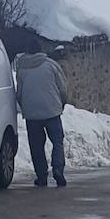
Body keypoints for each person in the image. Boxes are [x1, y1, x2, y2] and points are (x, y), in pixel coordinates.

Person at [16, 36, 68, 188]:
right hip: (52, 111)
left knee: (36, 146)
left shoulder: (22, 68)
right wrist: (61, 104)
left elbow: (19, 93)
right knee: (57, 142)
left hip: (32, 114)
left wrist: (25, 106)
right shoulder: (51, 65)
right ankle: (58, 169)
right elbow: (62, 88)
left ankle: (42, 176)